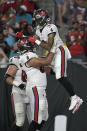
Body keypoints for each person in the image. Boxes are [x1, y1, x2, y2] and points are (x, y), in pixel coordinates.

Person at [28, 9, 83, 114]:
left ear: (43, 19)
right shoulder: (38, 29)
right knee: (47, 70)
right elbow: (33, 41)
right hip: (52, 53)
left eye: (38, 19)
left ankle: (75, 98)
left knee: (60, 76)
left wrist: (36, 40)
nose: (36, 21)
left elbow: (48, 45)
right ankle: (65, 80)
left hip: (59, 51)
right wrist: (25, 38)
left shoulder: (51, 27)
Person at [17, 38, 55, 131]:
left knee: (44, 117)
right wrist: (53, 49)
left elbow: (44, 68)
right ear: (26, 46)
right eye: (31, 44)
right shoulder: (26, 57)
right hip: (35, 88)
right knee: (37, 118)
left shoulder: (32, 56)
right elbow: (46, 62)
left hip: (40, 88)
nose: (33, 45)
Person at [5, 55, 29, 131]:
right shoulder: (16, 60)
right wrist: (18, 84)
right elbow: (7, 78)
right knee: (20, 121)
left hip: (31, 93)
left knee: (37, 119)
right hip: (18, 93)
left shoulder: (35, 58)